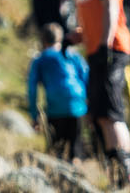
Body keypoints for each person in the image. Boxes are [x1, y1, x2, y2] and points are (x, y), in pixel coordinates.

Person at [59, 0, 130, 189]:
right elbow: (92, 10)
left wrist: (103, 43)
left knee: (111, 110)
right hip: (95, 49)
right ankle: (113, 173)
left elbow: (111, 4)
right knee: (100, 113)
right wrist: (79, 35)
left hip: (111, 47)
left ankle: (125, 173)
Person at [26, 23, 89, 161]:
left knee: (56, 150)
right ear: (60, 38)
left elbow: (32, 88)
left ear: (43, 40)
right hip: (77, 104)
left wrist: (34, 114)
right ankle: (77, 167)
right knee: (75, 148)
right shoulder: (73, 55)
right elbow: (86, 76)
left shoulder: (40, 59)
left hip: (55, 107)